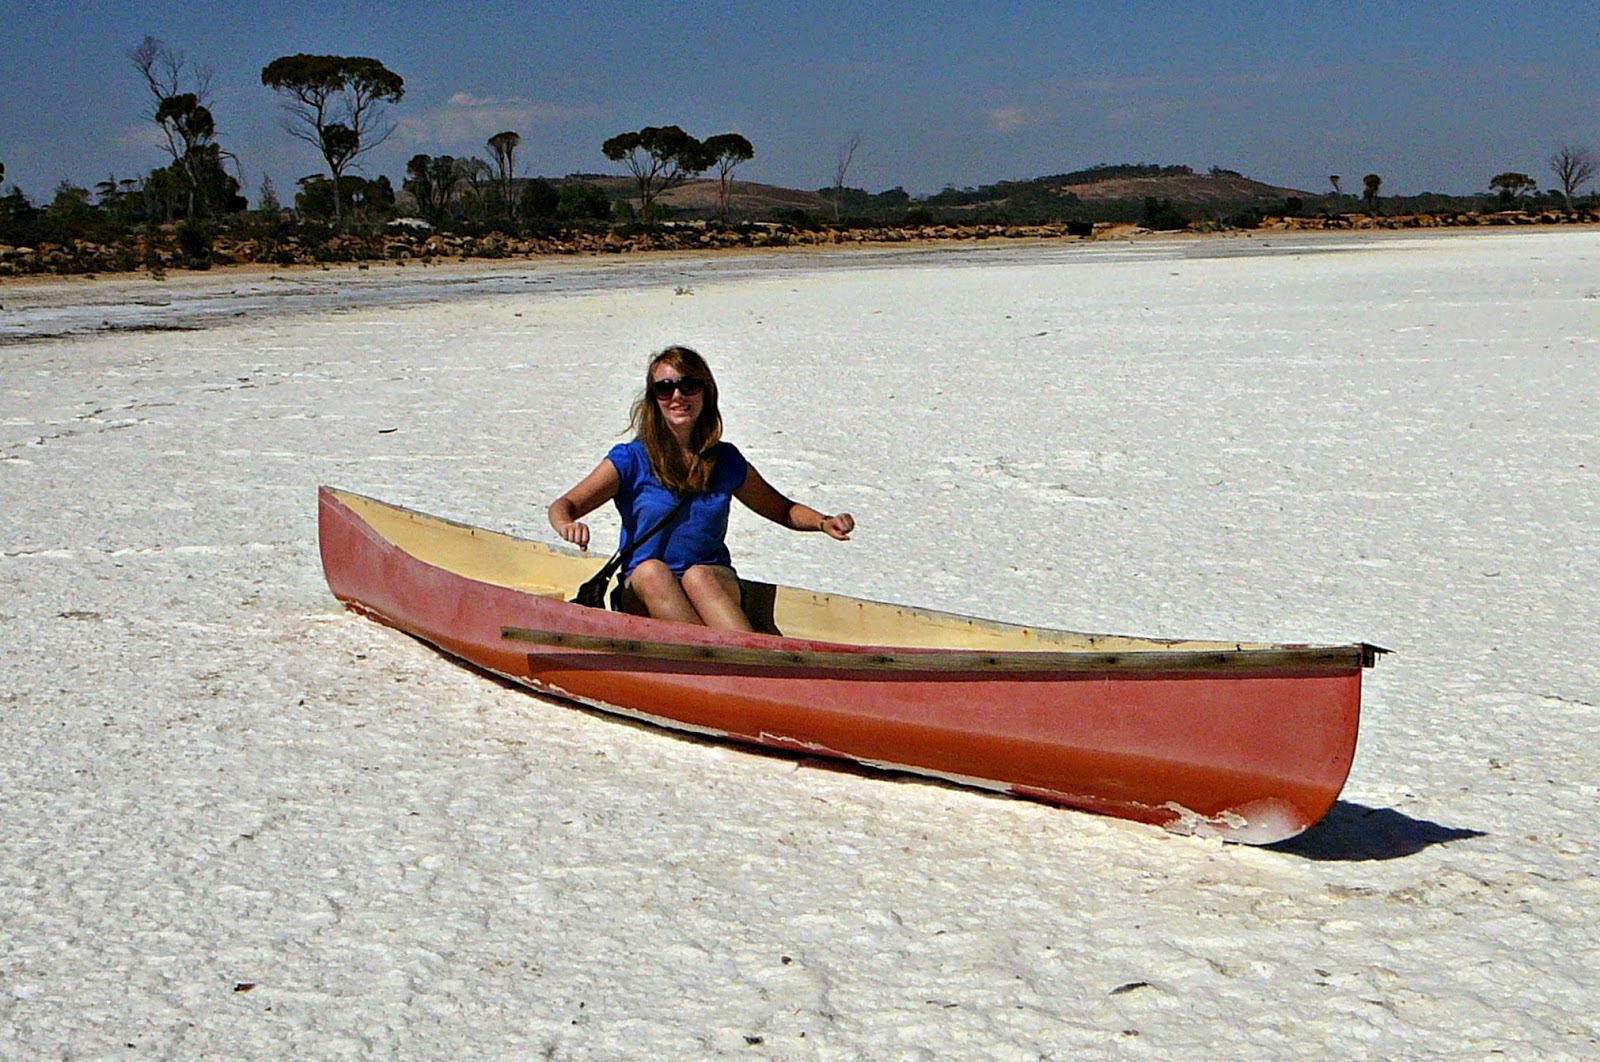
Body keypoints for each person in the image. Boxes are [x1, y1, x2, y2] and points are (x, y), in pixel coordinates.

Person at [549, 346, 854, 631]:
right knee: (653, 571)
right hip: (643, 593)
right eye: (665, 388)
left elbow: (782, 509)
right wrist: (567, 524)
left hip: (712, 583)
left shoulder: (725, 460)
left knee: (699, 576)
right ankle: (727, 661)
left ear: (705, 393)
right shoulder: (631, 459)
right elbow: (566, 505)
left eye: (689, 385)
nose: (677, 395)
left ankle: (746, 664)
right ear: (654, 399)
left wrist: (823, 522)